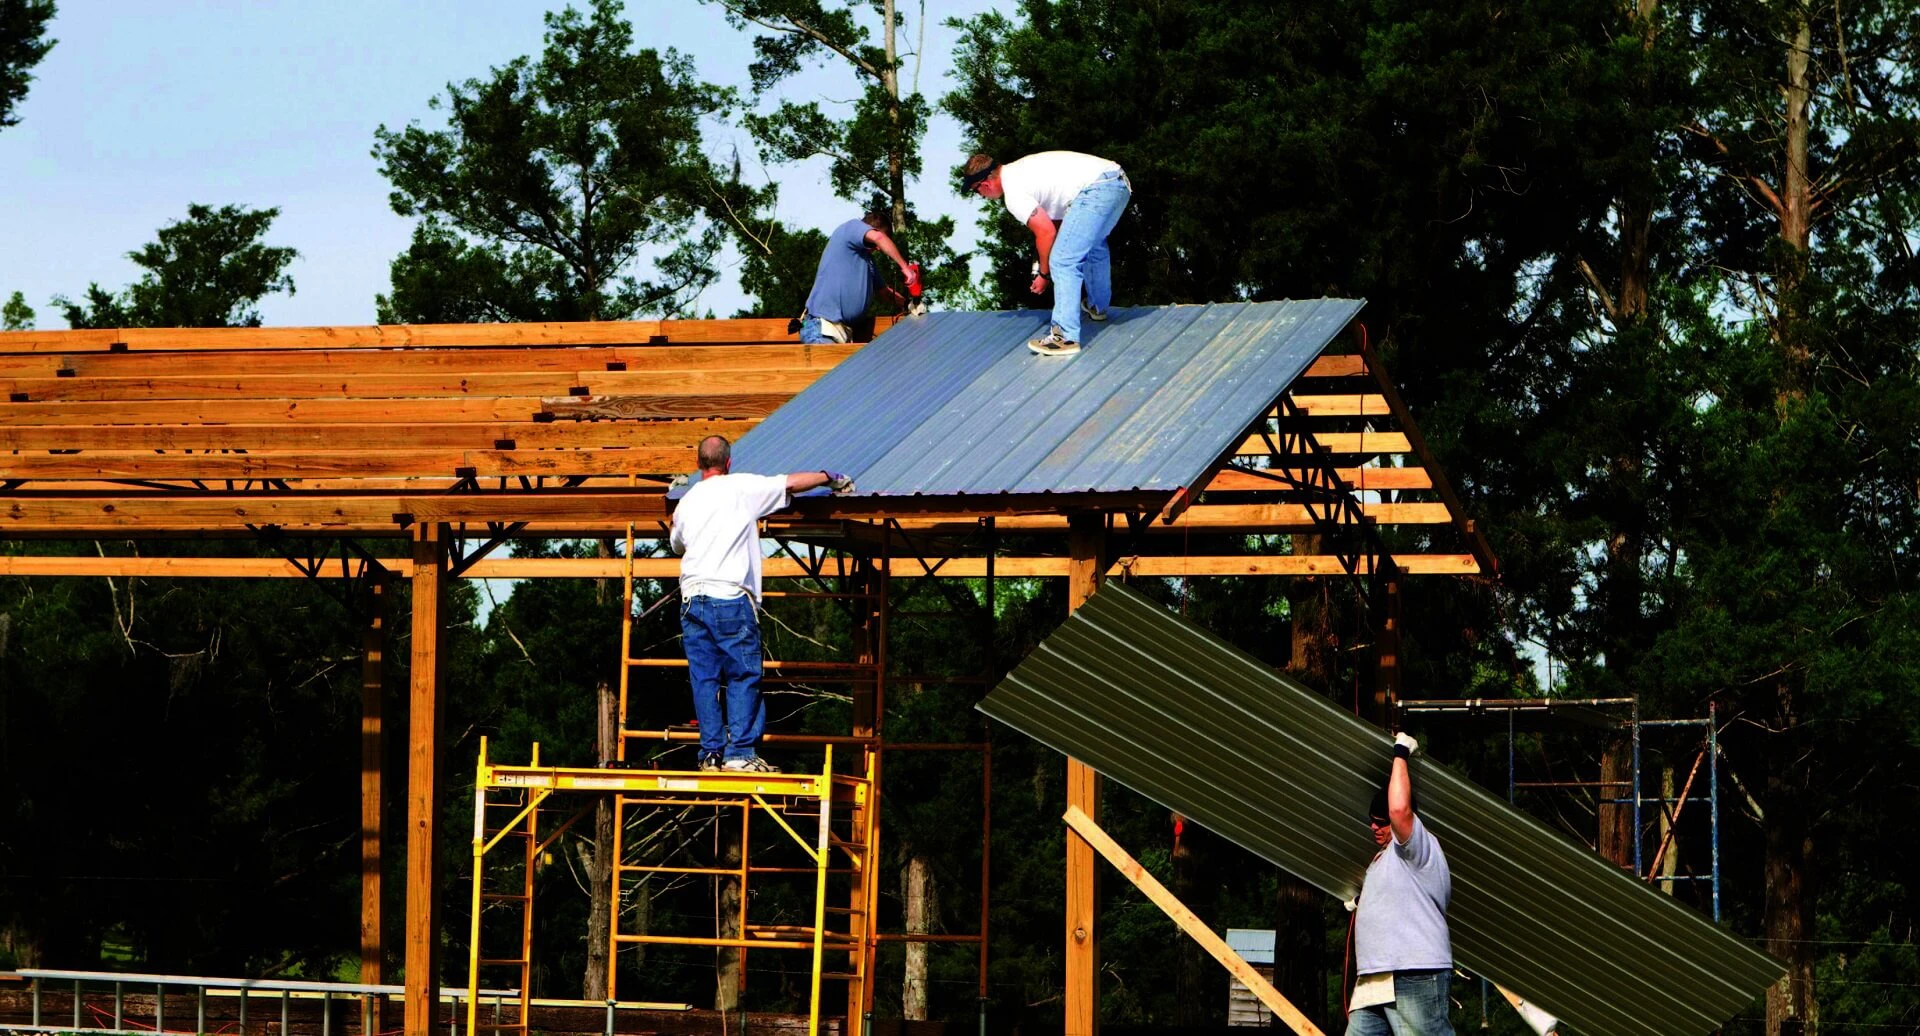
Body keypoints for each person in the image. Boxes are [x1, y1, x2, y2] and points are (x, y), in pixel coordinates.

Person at [669, 435, 854, 773]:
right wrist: (830, 476)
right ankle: (739, 754)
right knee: (743, 674)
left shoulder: (687, 502)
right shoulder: (741, 488)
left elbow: (677, 543)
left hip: (692, 600)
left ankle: (711, 755)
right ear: (728, 463)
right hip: (729, 595)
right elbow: (793, 483)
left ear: (699, 465)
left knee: (705, 679)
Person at [961, 150, 1130, 357]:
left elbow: (1046, 232)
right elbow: (1059, 227)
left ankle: (1064, 336)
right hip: (1118, 182)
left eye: (976, 192)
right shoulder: (1020, 170)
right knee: (1093, 246)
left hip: (1096, 189)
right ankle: (1097, 307)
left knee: (1063, 261)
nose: (981, 197)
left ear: (984, 184)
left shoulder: (1013, 193)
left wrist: (1044, 273)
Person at [1347, 731, 1455, 1035]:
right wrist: (1361, 902)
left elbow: (1398, 810)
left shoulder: (1416, 846)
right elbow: (1396, 896)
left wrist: (1400, 752)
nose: (1373, 826)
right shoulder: (1385, 859)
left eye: (1380, 821)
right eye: (1371, 819)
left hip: (1412, 972)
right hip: (1374, 980)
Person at [798, 209, 919, 344]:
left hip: (843, 334)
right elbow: (879, 238)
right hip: (822, 329)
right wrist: (906, 268)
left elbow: (885, 292)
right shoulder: (850, 228)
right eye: (877, 244)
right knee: (828, 364)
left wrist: (909, 304)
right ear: (868, 230)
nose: (879, 248)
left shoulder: (867, 261)